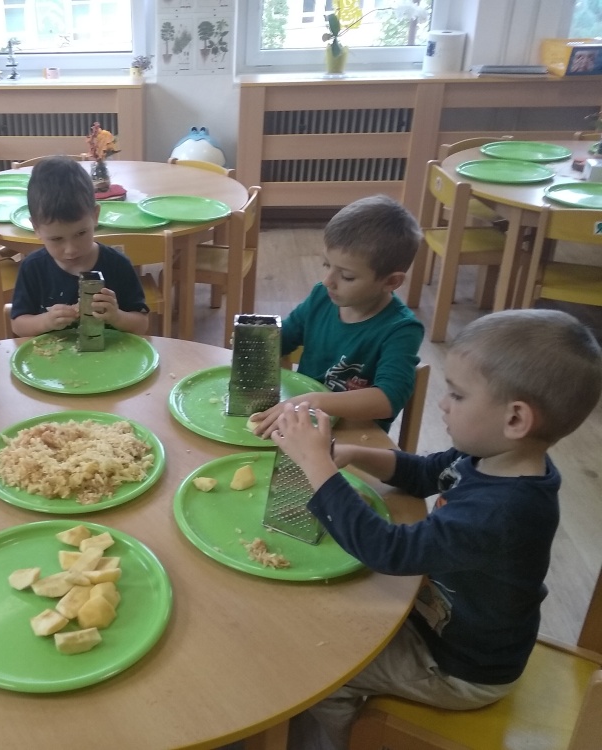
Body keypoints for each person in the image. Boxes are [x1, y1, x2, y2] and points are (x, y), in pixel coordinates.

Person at [269, 309, 602, 750]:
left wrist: (316, 465)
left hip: (458, 667)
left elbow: (388, 550)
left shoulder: (503, 512)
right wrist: (353, 453)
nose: (443, 404)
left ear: (516, 419)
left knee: (326, 673)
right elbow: (425, 472)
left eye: (458, 395)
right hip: (435, 622)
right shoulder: (492, 456)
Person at [249, 194, 423, 436]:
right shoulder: (321, 297)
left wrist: (313, 401)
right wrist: (255, 341)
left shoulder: (401, 330)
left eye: (347, 276)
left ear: (391, 282)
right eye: (326, 265)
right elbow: (283, 339)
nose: (328, 281)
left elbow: (388, 399)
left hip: (355, 435)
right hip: (302, 422)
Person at [9, 156, 150, 337]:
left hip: (111, 353)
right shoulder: (33, 268)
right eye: (56, 239)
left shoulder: (118, 264)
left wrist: (117, 317)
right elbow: (18, 325)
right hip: (52, 353)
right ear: (36, 228)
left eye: (81, 233)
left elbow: (141, 324)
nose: (71, 249)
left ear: (95, 216)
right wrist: (45, 321)